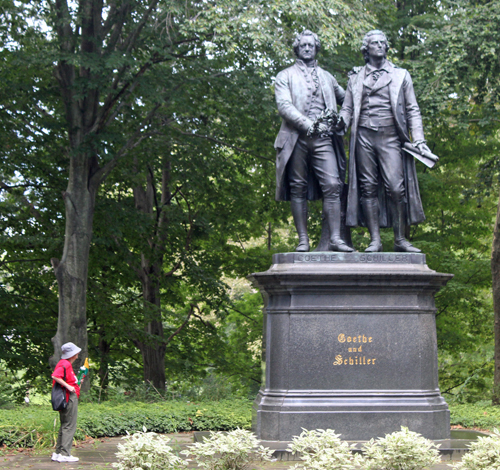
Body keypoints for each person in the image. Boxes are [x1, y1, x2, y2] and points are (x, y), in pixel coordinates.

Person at [338, 30, 432, 252]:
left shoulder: (401, 75)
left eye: (383, 43)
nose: (379, 46)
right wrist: (339, 123)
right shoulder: (355, 77)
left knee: (395, 188)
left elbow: (412, 109)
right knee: (367, 187)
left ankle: (400, 239)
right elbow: (347, 109)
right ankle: (375, 240)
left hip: (390, 136)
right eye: (374, 43)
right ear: (366, 49)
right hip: (363, 136)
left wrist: (418, 138)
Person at [274, 30, 353, 252]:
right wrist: (308, 124)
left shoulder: (328, 77)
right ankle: (303, 240)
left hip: (324, 139)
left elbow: (348, 99)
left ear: (316, 48)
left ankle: (335, 239)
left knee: (333, 185)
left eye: (311, 45)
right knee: (297, 187)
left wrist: (342, 119)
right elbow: (284, 106)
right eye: (303, 45)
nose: (307, 48)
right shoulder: (285, 76)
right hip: (295, 138)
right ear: (297, 49)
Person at [51, 342, 83, 463]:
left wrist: (76, 383)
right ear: (72, 354)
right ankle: (65, 454)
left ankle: (58, 453)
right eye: (76, 352)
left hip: (68, 397)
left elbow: (68, 379)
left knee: (65, 425)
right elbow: (55, 376)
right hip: (69, 398)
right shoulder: (65, 364)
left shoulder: (64, 363)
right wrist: (69, 387)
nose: (78, 354)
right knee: (69, 426)